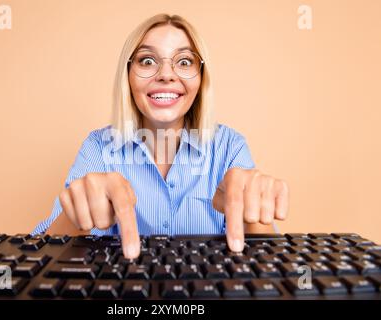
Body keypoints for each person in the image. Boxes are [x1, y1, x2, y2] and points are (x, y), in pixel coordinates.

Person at [32, 13, 289, 259]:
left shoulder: (230, 147)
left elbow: (267, 266)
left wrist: (250, 218)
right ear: (128, 75)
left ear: (201, 79)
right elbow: (39, 254)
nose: (166, 75)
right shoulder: (98, 147)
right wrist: (74, 217)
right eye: (147, 61)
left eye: (185, 61)